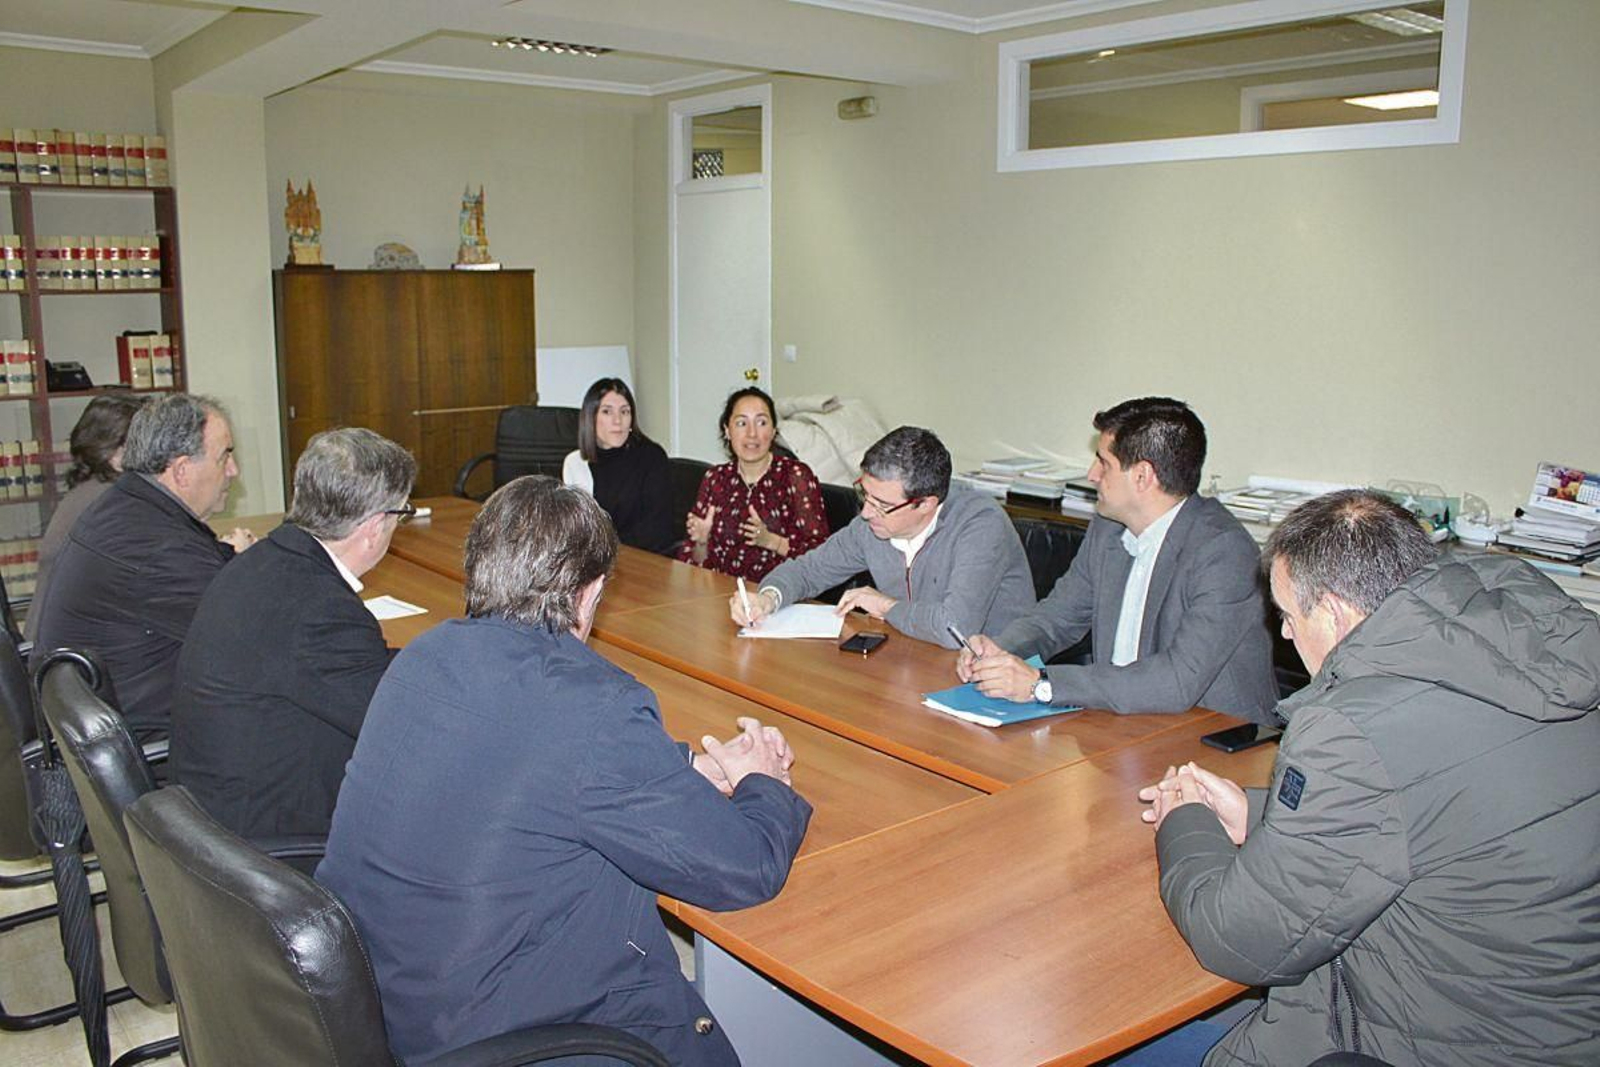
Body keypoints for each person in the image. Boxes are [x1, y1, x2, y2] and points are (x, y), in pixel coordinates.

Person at [317, 476, 812, 1066]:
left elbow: (524, 754)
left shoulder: (423, 656)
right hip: (502, 1032)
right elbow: (742, 869)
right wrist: (763, 782)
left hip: (389, 999)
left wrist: (679, 766)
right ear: (590, 592)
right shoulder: (596, 705)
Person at [1139, 490, 1600, 1067]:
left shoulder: (1352, 728)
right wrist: (1259, 812)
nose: (1284, 635)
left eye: (1287, 615)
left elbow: (1239, 942)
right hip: (1559, 1023)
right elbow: (1445, 814)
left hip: (1447, 1040)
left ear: (1332, 613)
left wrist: (1186, 820)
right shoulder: (1538, 657)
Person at [958, 397, 1276, 720]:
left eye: (1103, 463)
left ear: (1142, 477)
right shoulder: (1108, 529)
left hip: (1210, 741)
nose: (1091, 474)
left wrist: (1041, 684)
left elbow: (1176, 680)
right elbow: (1057, 617)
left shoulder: (1224, 553)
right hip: (1120, 722)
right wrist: (1003, 648)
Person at [169, 427, 416, 839]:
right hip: (262, 845)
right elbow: (399, 729)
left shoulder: (263, 562)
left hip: (210, 815)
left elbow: (354, 669)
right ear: (376, 525)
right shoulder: (320, 609)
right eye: (401, 513)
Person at [29, 394, 257, 743]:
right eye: (224, 455)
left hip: (118, 716)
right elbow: (256, 634)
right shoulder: (157, 548)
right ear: (181, 470)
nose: (233, 470)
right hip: (156, 745)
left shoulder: (128, 507)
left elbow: (200, 564)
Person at [732, 426, 1033, 649]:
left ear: (926, 504)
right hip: (913, 657)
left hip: (997, 678)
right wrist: (768, 599)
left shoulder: (980, 525)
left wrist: (885, 606)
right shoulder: (874, 524)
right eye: (865, 494)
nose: (865, 512)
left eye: (882, 505)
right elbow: (809, 570)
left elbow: (954, 629)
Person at [677, 386, 829, 581]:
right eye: (741, 423)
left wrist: (772, 541)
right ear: (727, 430)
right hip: (721, 594)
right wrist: (701, 543)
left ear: (774, 430)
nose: (752, 434)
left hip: (781, 595)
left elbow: (822, 557)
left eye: (761, 422)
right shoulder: (715, 478)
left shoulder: (795, 476)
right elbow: (694, 564)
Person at [32, 393, 148, 623]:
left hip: (55, 644)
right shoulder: (113, 503)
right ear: (116, 452)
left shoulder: (85, 493)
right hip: (74, 651)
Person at [562, 377, 675, 553]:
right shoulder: (575, 463)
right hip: (596, 563)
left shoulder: (651, 457)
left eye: (624, 412)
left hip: (644, 561)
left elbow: (657, 531)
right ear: (590, 418)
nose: (618, 421)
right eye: (607, 412)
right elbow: (578, 531)